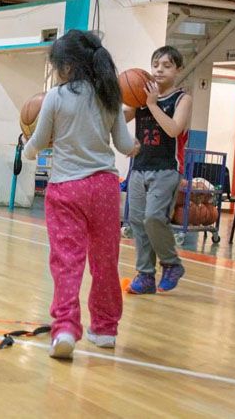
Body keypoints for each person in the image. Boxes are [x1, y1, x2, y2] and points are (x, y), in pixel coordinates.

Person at [24, 30, 139, 359]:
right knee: (105, 262)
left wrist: (27, 151)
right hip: (104, 187)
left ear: (68, 66)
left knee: (66, 263)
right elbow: (124, 144)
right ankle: (104, 330)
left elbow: (40, 140)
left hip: (66, 188)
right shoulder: (110, 95)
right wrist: (136, 148)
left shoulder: (57, 97)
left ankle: (64, 329)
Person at [124, 46, 192, 294]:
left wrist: (151, 104)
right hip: (139, 167)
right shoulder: (139, 97)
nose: (160, 70)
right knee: (137, 221)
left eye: (167, 65)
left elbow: (174, 129)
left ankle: (172, 264)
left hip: (166, 169)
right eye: (156, 65)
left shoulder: (182, 99)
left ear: (178, 70)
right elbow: (121, 121)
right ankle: (145, 276)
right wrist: (125, 142)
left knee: (154, 218)